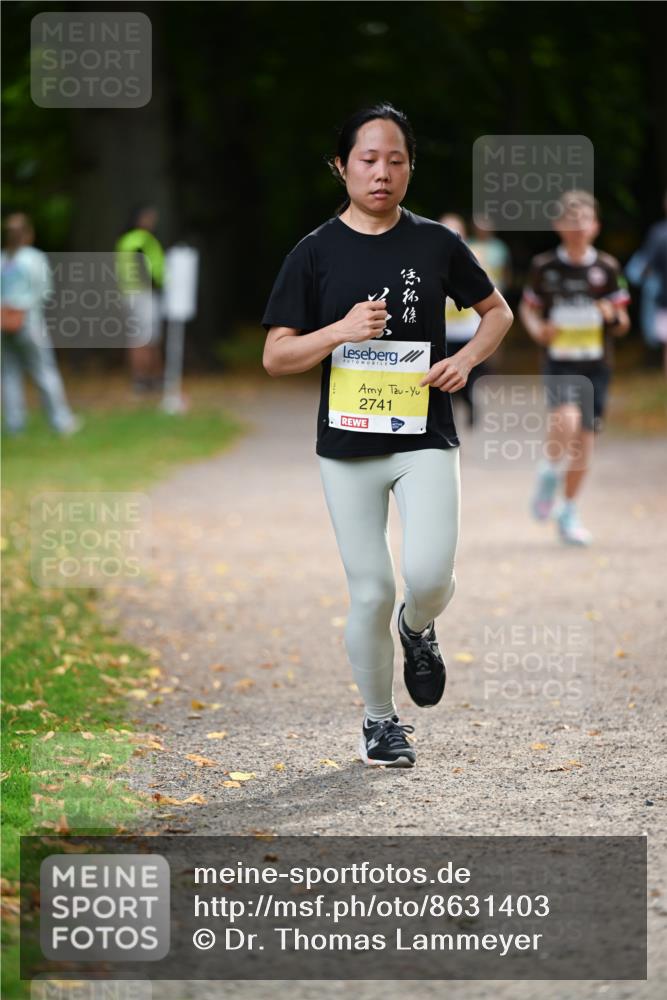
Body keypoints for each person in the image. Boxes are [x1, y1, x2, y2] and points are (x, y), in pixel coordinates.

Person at [261, 103, 512, 768]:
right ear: (341, 167)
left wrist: (465, 360)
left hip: (423, 434)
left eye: (395, 160)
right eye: (368, 160)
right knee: (370, 589)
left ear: (409, 169)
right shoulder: (313, 252)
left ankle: (417, 626)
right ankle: (379, 722)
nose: (381, 173)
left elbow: (497, 312)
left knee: (428, 577)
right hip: (347, 447)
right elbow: (276, 356)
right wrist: (339, 331)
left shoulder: (436, 243)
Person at [519, 190, 630, 546]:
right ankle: (549, 475)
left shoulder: (608, 268)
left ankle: (567, 512)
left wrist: (613, 316)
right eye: (571, 219)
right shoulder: (544, 266)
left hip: (597, 366)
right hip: (560, 362)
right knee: (565, 419)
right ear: (558, 225)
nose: (578, 226)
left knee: (585, 444)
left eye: (584, 219)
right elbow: (528, 309)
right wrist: (538, 329)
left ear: (595, 225)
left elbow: (623, 321)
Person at [1, 213, 82, 436]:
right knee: (44, 371)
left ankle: (14, 425)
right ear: (28, 233)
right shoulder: (34, 258)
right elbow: (45, 290)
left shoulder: (3, 259)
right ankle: (61, 421)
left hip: (3, 321)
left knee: (9, 373)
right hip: (29, 321)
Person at [439, 213, 491, 426]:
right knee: (446, 378)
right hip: (445, 332)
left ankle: (470, 406)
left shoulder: (473, 256)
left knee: (468, 377)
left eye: (456, 230)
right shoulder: (431, 257)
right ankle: (449, 417)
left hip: (470, 331)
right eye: (446, 229)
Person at [115, 205, 165, 395]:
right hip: (143, 293)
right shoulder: (142, 240)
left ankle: (143, 379)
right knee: (145, 338)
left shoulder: (125, 240)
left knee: (137, 337)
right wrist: (156, 282)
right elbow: (146, 268)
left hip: (128, 294)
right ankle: (147, 379)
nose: (152, 222)